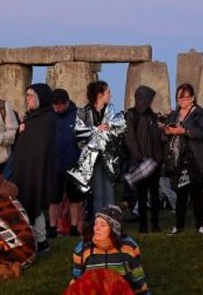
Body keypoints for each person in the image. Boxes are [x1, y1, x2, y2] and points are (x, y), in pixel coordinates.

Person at [12, 83, 59, 247]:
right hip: (25, 169)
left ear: (40, 98)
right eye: (27, 96)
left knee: (35, 202)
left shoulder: (46, 120)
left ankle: (40, 240)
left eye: (31, 96)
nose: (28, 100)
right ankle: (32, 239)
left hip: (38, 170)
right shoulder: (31, 118)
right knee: (26, 202)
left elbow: (43, 150)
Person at [163, 83, 203, 235]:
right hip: (177, 158)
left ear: (192, 98)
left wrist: (184, 131)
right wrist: (167, 131)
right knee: (180, 193)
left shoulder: (201, 113)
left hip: (194, 158)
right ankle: (179, 226)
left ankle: (200, 225)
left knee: (196, 193)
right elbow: (164, 135)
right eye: (179, 97)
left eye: (185, 97)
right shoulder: (173, 115)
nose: (181, 100)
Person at [74, 80, 121, 217]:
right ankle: (99, 224)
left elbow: (118, 129)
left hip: (109, 157)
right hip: (92, 158)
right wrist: (96, 129)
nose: (110, 95)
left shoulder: (111, 110)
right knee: (98, 193)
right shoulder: (83, 112)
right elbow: (78, 132)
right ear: (99, 94)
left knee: (110, 192)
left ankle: (113, 224)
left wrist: (112, 127)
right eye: (108, 92)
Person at [124, 85, 165, 234]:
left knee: (154, 195)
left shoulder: (152, 115)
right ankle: (143, 226)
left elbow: (156, 138)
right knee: (141, 196)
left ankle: (154, 224)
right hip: (141, 162)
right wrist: (138, 156)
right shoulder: (131, 115)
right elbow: (130, 138)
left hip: (154, 162)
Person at [49, 89, 83, 236]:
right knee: (53, 199)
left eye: (60, 105)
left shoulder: (77, 115)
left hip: (73, 162)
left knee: (75, 198)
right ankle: (52, 227)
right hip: (54, 164)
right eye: (55, 105)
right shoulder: (50, 116)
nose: (57, 108)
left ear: (67, 103)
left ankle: (74, 227)